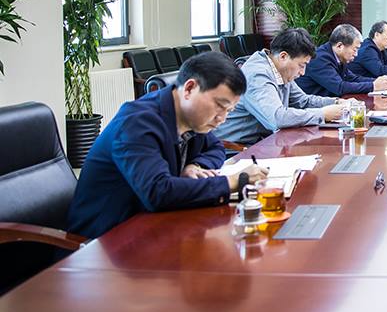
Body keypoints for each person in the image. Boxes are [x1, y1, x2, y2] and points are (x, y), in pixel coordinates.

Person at [66, 52, 268, 239]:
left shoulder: (190, 118)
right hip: (105, 241)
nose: (222, 118)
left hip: (152, 227)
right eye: (220, 106)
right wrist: (233, 181)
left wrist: (196, 166)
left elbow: (215, 148)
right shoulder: (137, 123)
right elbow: (158, 192)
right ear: (189, 88)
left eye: (229, 111)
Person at [215, 27, 346, 145]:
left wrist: (336, 102)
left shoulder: (280, 70)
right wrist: (322, 114)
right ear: (283, 56)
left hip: (264, 142)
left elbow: (303, 101)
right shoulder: (257, 74)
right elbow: (277, 118)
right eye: (301, 65)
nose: (303, 72)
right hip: (238, 148)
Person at [297, 23, 387, 96]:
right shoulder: (320, 59)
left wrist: (377, 81)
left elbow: (352, 78)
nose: (356, 54)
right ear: (340, 46)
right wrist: (373, 86)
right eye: (355, 49)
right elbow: (339, 87)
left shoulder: (338, 57)